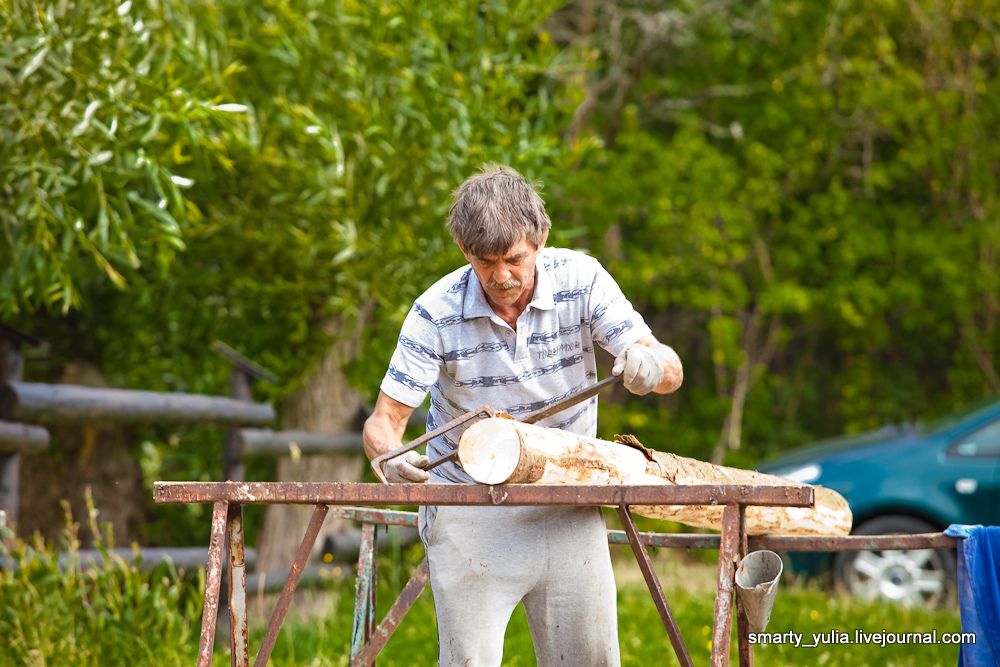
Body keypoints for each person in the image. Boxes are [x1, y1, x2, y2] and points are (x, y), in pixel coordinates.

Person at [363, 164, 683, 666]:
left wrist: (651, 365)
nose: (502, 276)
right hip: (469, 510)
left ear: (541, 238)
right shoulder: (435, 312)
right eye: (485, 262)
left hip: (568, 503)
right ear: (464, 250)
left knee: (590, 660)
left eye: (514, 258)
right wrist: (391, 460)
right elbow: (384, 424)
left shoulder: (583, 279)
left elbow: (669, 368)